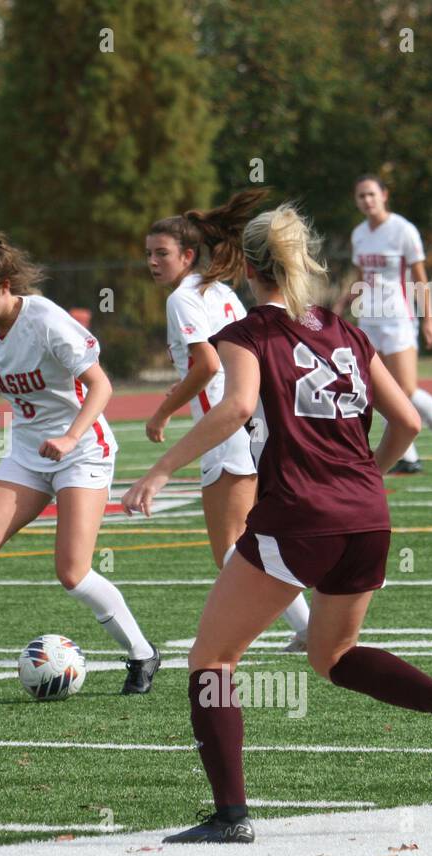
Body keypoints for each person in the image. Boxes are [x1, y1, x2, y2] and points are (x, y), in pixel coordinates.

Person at [122, 204, 432, 843]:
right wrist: (367, 479)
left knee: (212, 658)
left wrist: (159, 470)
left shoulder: (248, 333)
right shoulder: (344, 330)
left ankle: (231, 816)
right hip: (366, 518)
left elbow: (236, 403)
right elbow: (407, 422)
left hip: (299, 515)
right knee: (333, 656)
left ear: (245, 266)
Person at [0, 232, 161, 695]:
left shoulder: (45, 320)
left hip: (83, 451)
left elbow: (102, 386)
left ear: (7, 285)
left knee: (72, 573)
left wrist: (70, 435)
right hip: (27, 453)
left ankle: (142, 653)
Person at [143, 189, 312, 651]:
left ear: (188, 255)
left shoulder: (183, 299)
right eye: (149, 254)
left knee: (232, 549)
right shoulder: (218, 292)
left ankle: (307, 626)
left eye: (162, 254)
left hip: (226, 429)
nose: (153, 262)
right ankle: (305, 625)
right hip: (256, 423)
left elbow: (208, 367)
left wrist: (162, 410)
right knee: (253, 537)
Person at [335, 175, 432, 474]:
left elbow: (420, 278)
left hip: (398, 318)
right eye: (361, 196)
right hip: (369, 318)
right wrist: (343, 305)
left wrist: (429, 318)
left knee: (405, 389)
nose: (366, 200)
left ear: (384, 195)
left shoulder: (403, 230)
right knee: (379, 389)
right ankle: (408, 457)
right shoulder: (359, 234)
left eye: (371, 194)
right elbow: (360, 276)